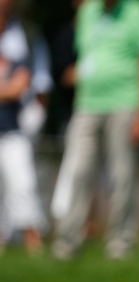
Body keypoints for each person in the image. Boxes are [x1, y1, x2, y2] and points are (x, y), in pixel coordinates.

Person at [51, 0, 139, 260]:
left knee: (123, 175)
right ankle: (68, 240)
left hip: (126, 103)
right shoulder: (87, 12)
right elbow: (86, 55)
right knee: (78, 171)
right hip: (87, 104)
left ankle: (121, 241)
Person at [0, 0, 47, 255]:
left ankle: (33, 240)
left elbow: (23, 85)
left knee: (23, 184)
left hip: (14, 129)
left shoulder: (26, 38)